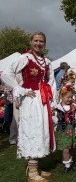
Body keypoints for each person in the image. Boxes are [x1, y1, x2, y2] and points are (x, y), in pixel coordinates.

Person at [1, 31, 56, 182]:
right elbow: (6, 73)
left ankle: (35, 167)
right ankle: (32, 173)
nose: (38, 43)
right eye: (36, 41)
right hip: (30, 100)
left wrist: (51, 100)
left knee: (41, 131)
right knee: (33, 131)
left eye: (41, 41)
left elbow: (50, 81)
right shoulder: (25, 58)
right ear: (31, 42)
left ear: (44, 43)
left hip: (42, 100)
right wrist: (21, 89)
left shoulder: (46, 62)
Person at [54, 84, 76, 174]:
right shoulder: (57, 107)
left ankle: (70, 162)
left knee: (72, 148)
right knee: (65, 149)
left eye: (71, 97)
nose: (69, 99)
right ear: (61, 97)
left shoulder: (74, 107)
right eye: (67, 97)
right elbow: (54, 119)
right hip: (62, 130)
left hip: (72, 129)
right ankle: (67, 165)